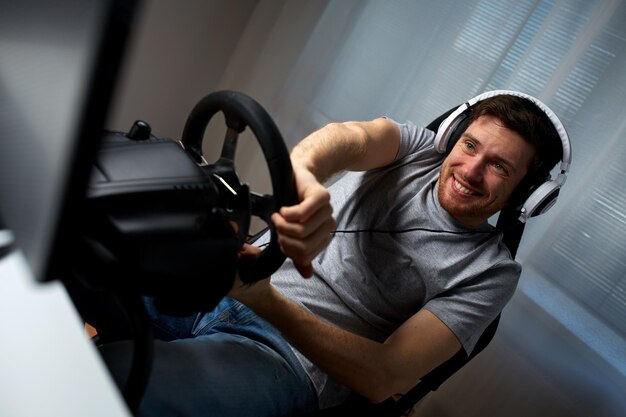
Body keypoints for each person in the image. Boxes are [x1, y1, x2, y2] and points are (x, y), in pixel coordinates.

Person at [92, 91, 565, 416]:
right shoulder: (417, 149)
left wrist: (265, 301)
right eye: (469, 145)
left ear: (527, 194)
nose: (470, 168)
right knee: (76, 257)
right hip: (224, 279)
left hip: (282, 359)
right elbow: (348, 137)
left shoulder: (491, 274)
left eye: (498, 166)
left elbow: (385, 376)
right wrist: (303, 175)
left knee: (107, 383)